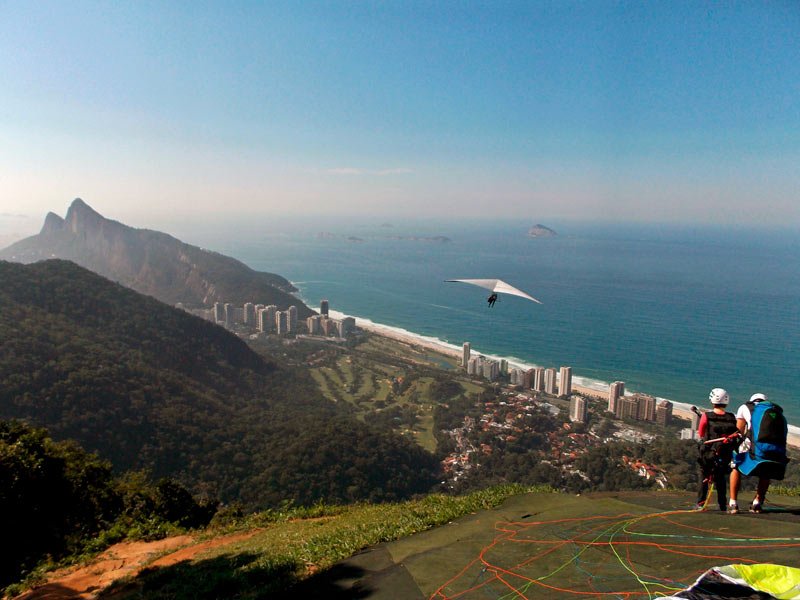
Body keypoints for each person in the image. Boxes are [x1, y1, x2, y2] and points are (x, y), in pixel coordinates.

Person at [728, 392, 789, 514]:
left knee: (735, 465)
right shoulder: (776, 411)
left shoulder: (745, 407)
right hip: (774, 450)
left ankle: (733, 502)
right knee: (765, 472)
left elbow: (738, 432)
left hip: (754, 447)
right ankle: (757, 503)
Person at [694, 388, 738, 511]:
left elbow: (701, 433)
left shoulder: (706, 416)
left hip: (708, 453)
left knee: (703, 475)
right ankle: (722, 504)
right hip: (725, 454)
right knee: (721, 478)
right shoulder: (731, 417)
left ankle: (700, 503)